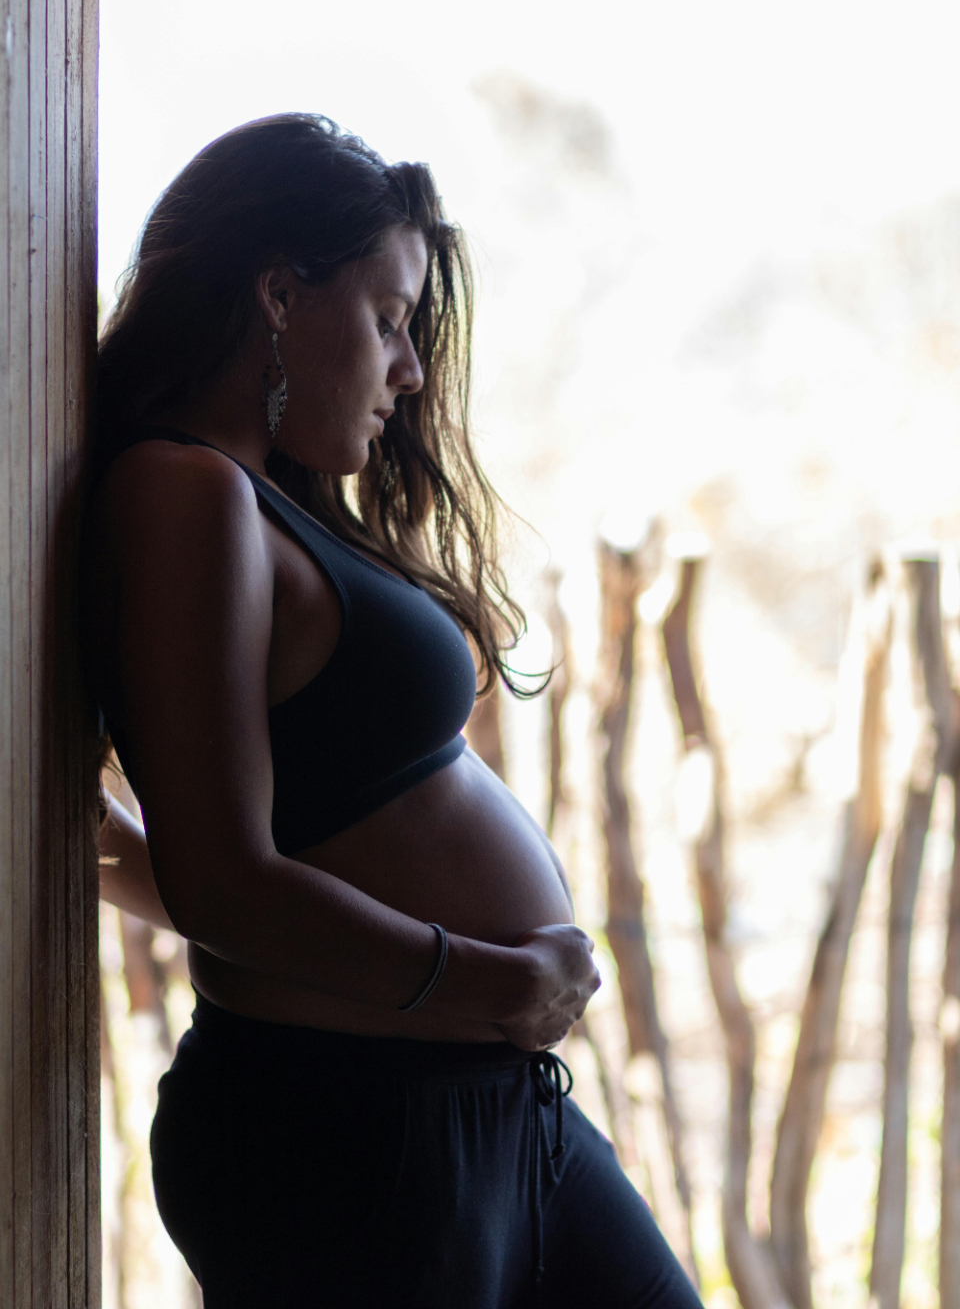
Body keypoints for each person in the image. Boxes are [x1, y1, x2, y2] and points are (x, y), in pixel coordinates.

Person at [85, 113, 702, 1309]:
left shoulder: (252, 499)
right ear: (279, 295)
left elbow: (183, 856)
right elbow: (223, 886)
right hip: (347, 1136)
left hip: (479, 1112)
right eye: (387, 319)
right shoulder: (184, 490)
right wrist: (488, 984)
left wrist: (494, 994)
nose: (409, 369)